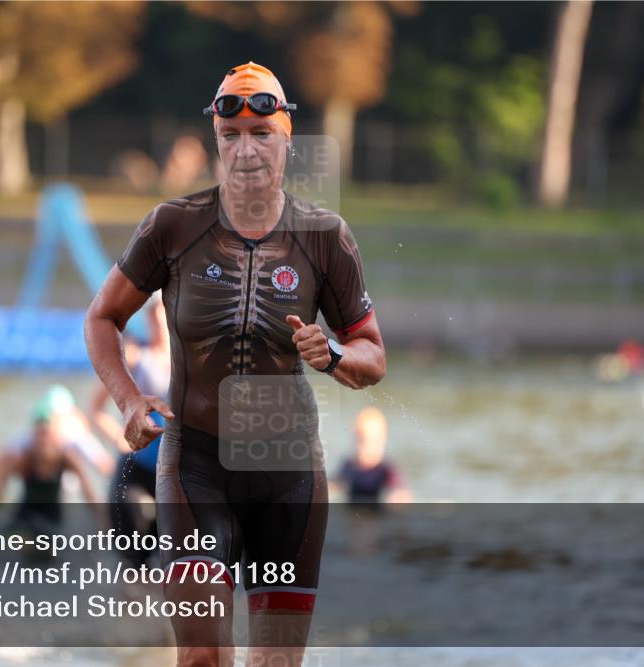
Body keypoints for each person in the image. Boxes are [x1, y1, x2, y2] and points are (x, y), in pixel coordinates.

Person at [85, 62, 385, 667]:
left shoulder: (324, 236)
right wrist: (129, 400)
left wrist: (332, 355)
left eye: (261, 134)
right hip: (196, 467)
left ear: (287, 138)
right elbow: (102, 317)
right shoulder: (173, 225)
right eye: (231, 136)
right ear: (217, 141)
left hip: (290, 473)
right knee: (202, 657)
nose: (246, 151)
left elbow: (372, 354)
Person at [89, 296, 170, 567]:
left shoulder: (190, 360)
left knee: (175, 561)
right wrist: (119, 438)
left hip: (175, 471)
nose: (159, 321)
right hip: (137, 467)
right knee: (133, 560)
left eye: (164, 314)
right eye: (154, 316)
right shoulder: (136, 357)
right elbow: (95, 410)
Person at [0, 388, 101, 537]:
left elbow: (89, 491)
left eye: (47, 433)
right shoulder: (24, 458)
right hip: (25, 518)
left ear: (55, 432)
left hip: (53, 523)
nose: (43, 440)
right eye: (39, 433)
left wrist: (102, 524)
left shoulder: (66, 456)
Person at [333, 407, 413, 506]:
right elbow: (335, 484)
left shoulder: (386, 470)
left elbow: (401, 491)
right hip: (353, 512)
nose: (365, 447)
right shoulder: (349, 466)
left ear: (383, 440)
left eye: (373, 442)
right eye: (361, 441)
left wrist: (397, 497)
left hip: (377, 513)